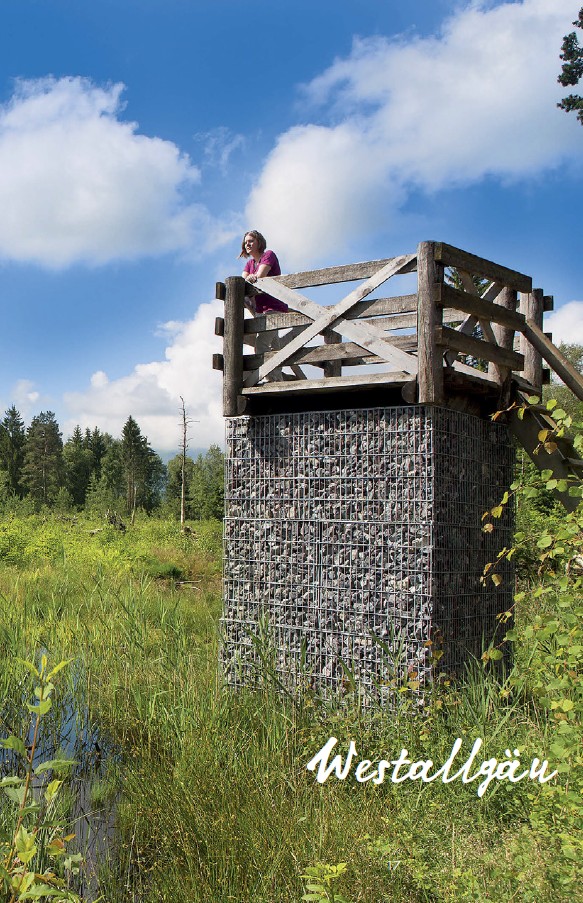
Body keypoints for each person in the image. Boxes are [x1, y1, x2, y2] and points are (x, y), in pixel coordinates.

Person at [239, 231, 288, 314]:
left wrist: (252, 277)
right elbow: (242, 282)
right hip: (259, 311)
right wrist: (249, 278)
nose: (247, 244)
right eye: (245, 242)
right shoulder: (249, 263)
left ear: (259, 242)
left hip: (274, 308)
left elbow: (260, 276)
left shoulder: (268, 255)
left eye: (251, 241)